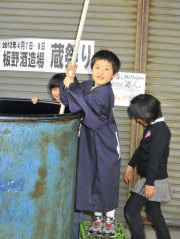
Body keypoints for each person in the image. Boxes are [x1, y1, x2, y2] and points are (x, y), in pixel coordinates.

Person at [61, 50, 121, 238]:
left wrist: (71, 87)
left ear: (114, 74)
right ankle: (97, 217)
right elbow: (71, 100)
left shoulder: (105, 92)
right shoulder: (89, 85)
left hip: (105, 142)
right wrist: (71, 76)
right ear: (91, 69)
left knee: (106, 177)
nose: (100, 72)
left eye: (106, 68)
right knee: (91, 176)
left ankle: (109, 219)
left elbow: (85, 107)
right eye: (97, 67)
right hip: (90, 141)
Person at [123, 94, 172, 239]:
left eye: (139, 117)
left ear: (150, 114)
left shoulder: (161, 130)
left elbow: (155, 158)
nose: (138, 120)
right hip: (151, 178)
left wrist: (149, 183)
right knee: (154, 213)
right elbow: (141, 148)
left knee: (131, 209)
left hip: (154, 179)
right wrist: (130, 166)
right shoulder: (152, 127)